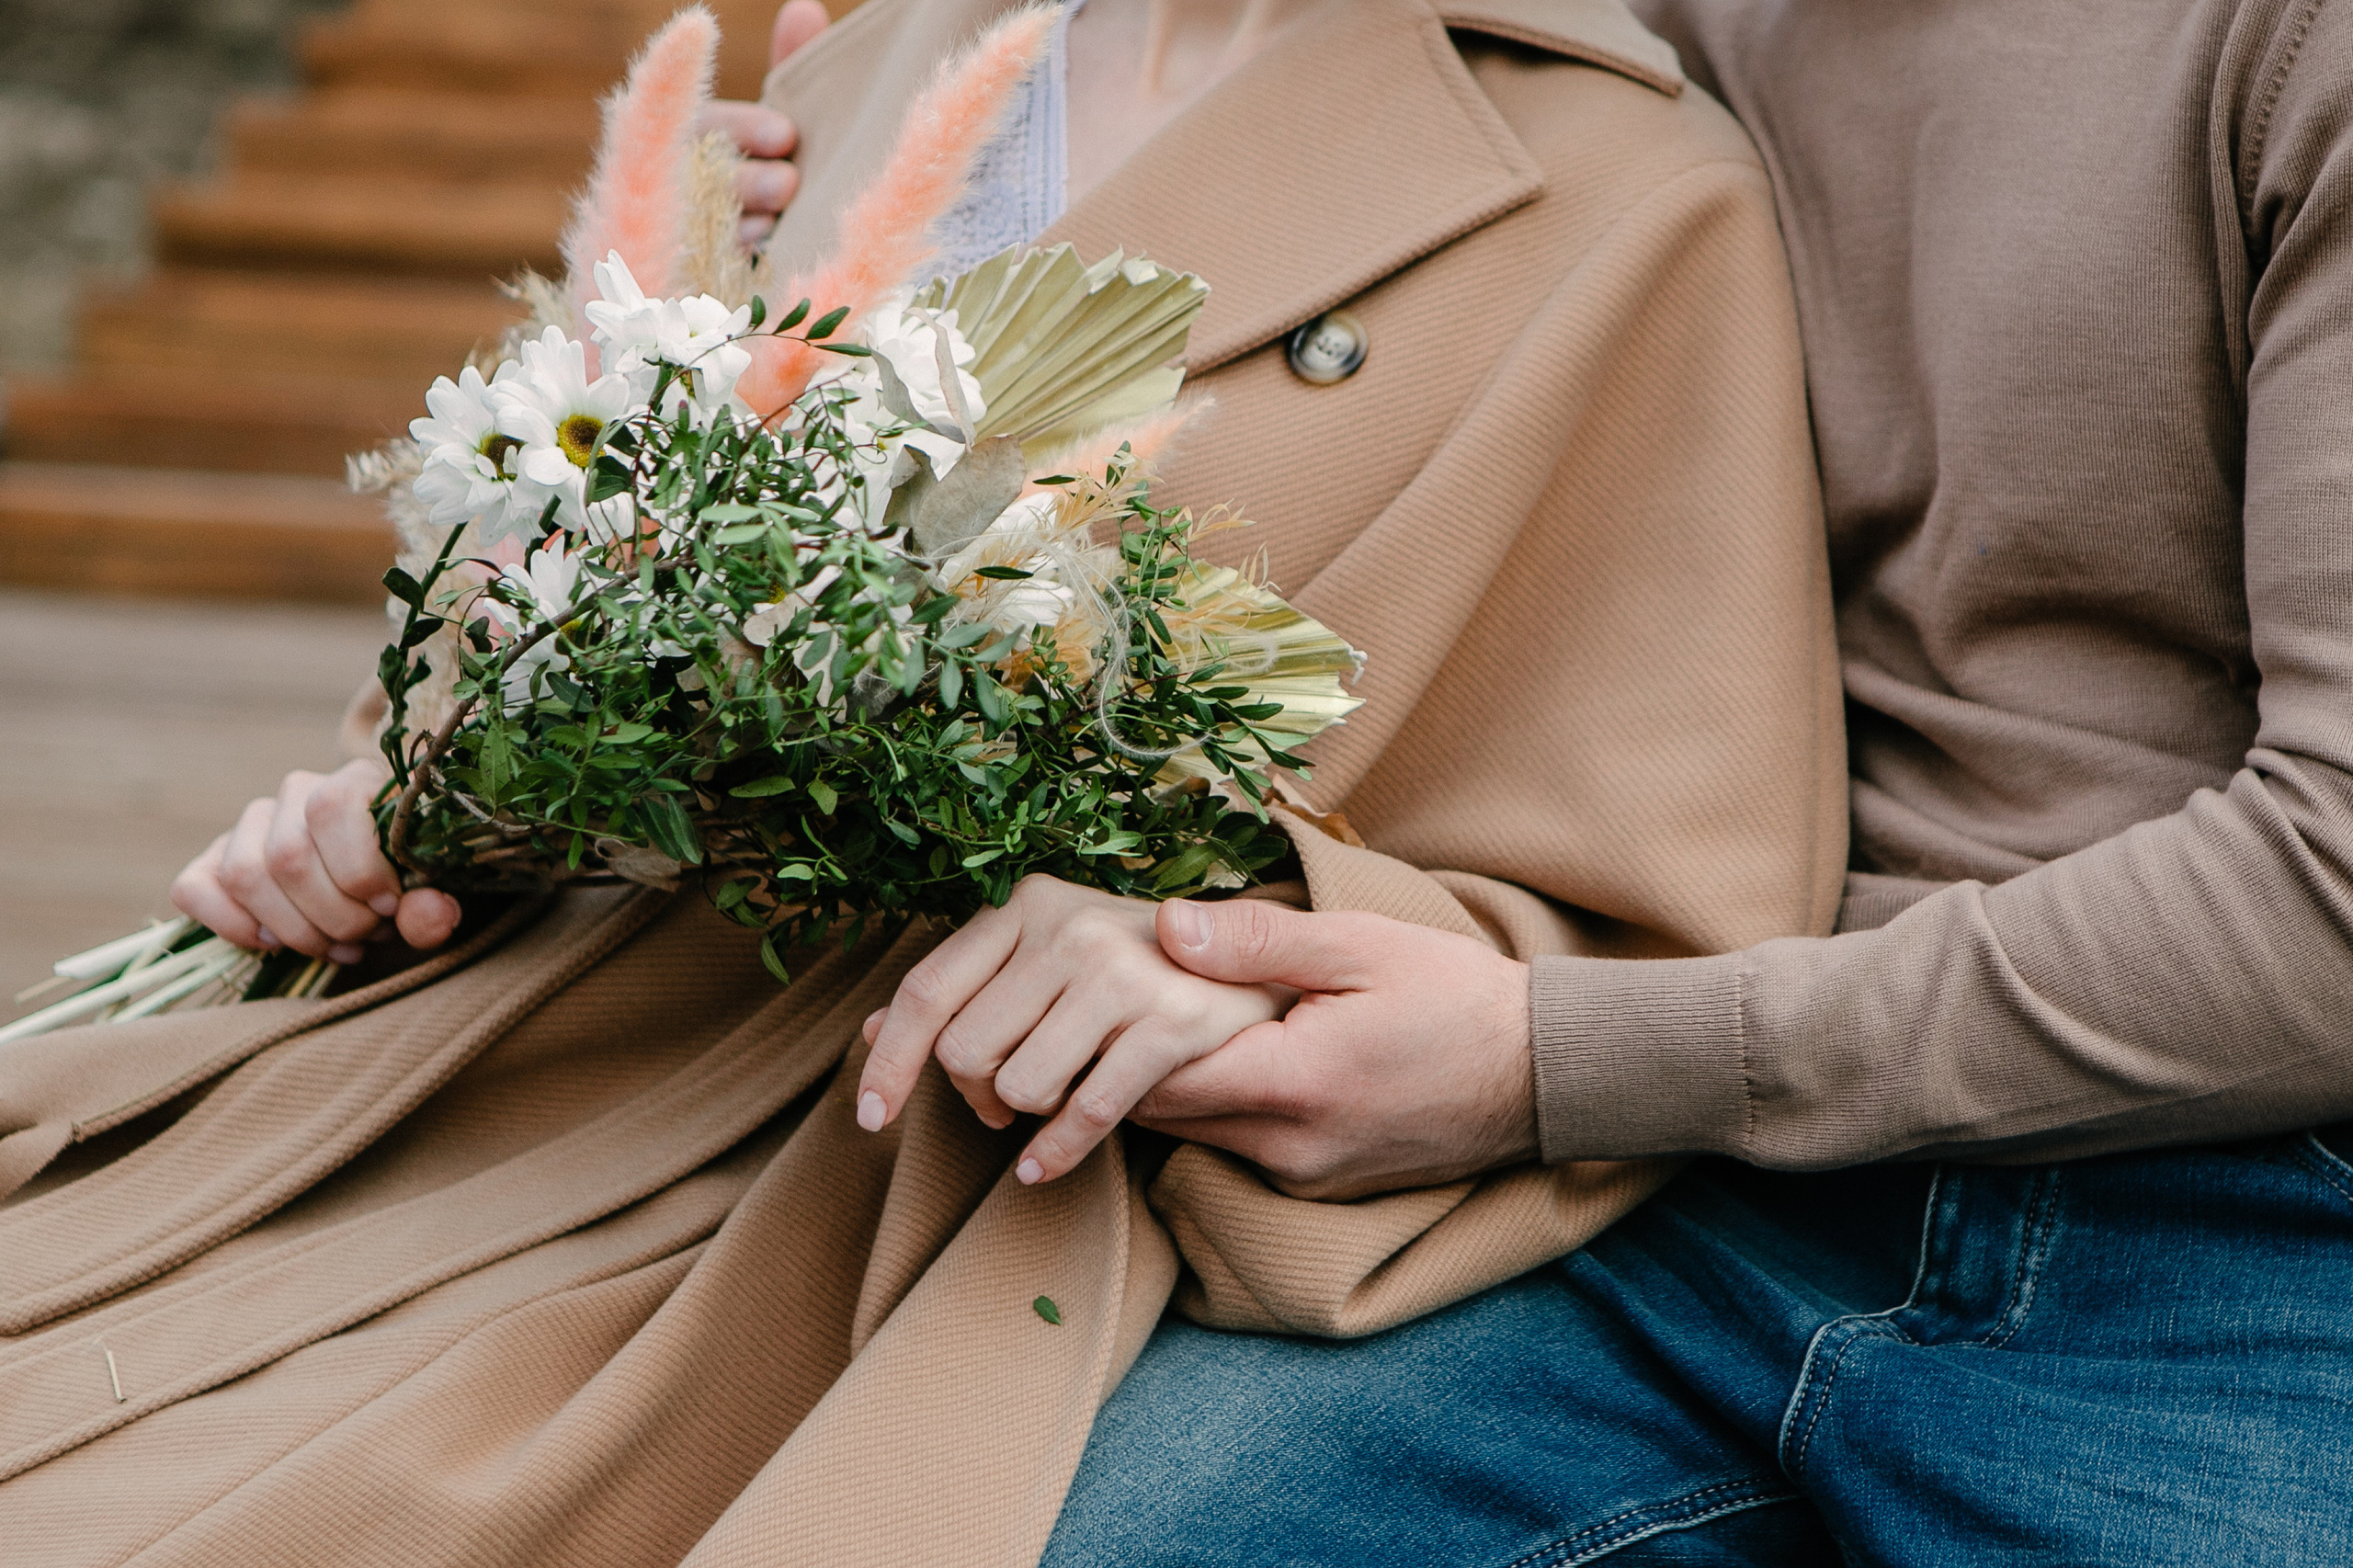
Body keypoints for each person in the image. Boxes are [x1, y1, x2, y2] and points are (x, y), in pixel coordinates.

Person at [0, 1, 1847, 1562]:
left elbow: (1644, 915)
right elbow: (609, 545)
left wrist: (1218, 934)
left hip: (925, 1177)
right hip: (513, 1047)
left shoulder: (1626, 184)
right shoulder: (880, 53)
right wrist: (394, 795)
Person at [1019, 0, 2353, 1562]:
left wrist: (1550, 1060)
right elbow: (1297, 232)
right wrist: (783, 284)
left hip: (2244, 1210)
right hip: (1684, 1176)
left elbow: (2333, 902)